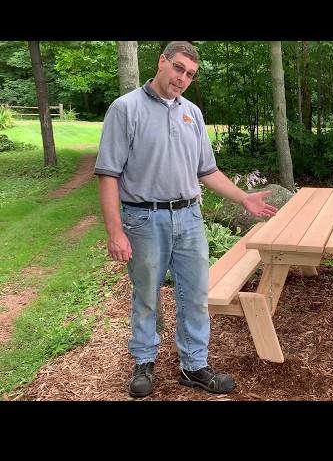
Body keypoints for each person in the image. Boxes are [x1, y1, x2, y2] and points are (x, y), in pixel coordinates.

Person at [95, 41, 277, 398]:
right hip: (144, 219)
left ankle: (194, 366)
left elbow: (207, 171)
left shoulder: (191, 112)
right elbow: (108, 175)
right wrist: (115, 232)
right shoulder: (125, 109)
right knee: (147, 294)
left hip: (189, 217)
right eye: (178, 68)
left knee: (195, 295)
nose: (182, 78)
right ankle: (143, 362)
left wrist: (244, 197)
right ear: (162, 62)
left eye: (190, 74)